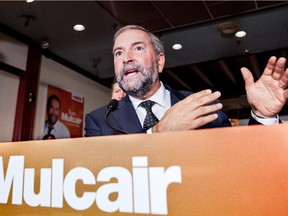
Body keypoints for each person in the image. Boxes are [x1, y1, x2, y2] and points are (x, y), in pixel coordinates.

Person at [84, 25, 288, 136]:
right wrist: (157, 133)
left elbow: (239, 164)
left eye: (137, 48)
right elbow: (103, 176)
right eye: (118, 53)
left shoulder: (205, 107)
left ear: (160, 61)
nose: (126, 57)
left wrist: (263, 116)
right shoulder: (100, 121)